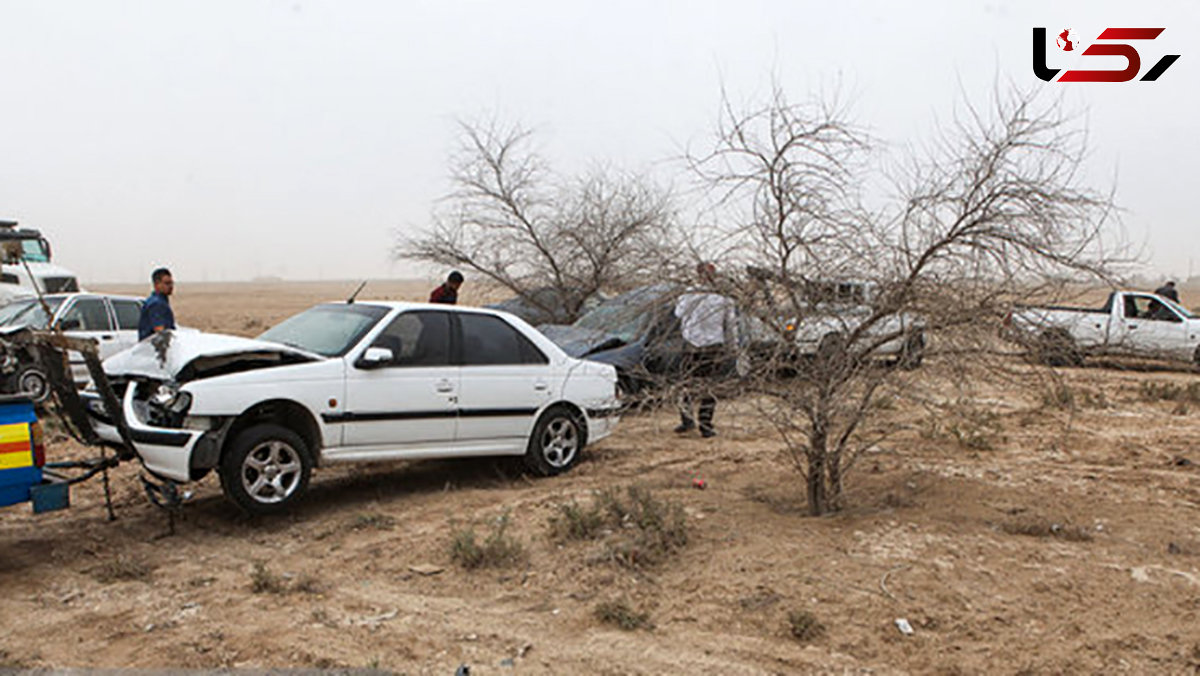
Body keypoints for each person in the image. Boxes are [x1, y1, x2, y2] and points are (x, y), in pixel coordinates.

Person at [673, 262, 738, 438]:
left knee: (687, 385)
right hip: (710, 347)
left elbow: (677, 314)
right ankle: (703, 425)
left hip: (694, 346)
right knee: (706, 387)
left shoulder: (689, 295)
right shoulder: (722, 298)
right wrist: (733, 348)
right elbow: (730, 326)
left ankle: (692, 422)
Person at [138, 267, 176, 341]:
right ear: (157, 285)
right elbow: (160, 332)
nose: (171, 286)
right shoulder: (157, 304)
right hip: (152, 349)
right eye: (167, 283)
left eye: (171, 283)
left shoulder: (159, 301)